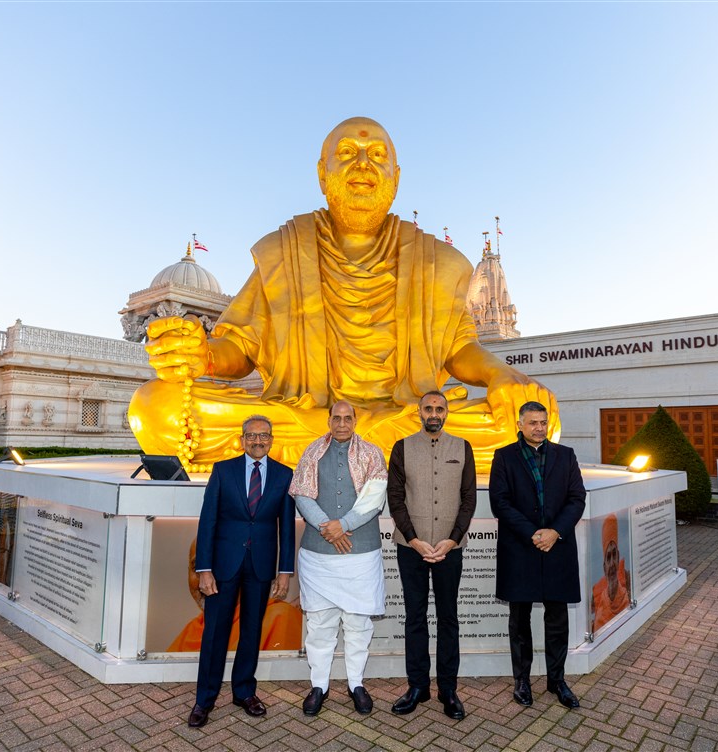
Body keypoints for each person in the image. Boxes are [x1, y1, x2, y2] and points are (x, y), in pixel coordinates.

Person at [129, 116, 559, 475]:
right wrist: (202, 355)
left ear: (396, 176)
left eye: (377, 156)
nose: (363, 165)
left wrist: (503, 376)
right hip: (303, 415)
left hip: (407, 415)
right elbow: (241, 348)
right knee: (155, 407)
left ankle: (336, 455)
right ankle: (387, 457)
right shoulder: (284, 251)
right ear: (322, 173)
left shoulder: (437, 261)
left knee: (535, 417)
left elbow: (459, 348)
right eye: (347, 153)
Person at [186, 416, 295, 728]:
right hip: (223, 566)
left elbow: (286, 528)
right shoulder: (223, 470)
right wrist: (204, 569)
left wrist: (284, 571)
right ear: (242, 439)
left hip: (261, 567)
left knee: (251, 632)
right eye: (251, 436)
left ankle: (244, 692)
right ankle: (203, 700)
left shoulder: (284, 475)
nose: (257, 441)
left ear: (271, 439)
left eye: (263, 436)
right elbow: (207, 521)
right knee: (215, 633)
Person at [289, 400, 388, 716]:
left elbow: (374, 500)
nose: (342, 423)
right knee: (320, 623)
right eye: (337, 418)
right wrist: (325, 527)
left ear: (356, 420)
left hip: (361, 552)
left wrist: (342, 525)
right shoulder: (312, 451)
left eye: (348, 418)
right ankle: (319, 685)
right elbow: (303, 495)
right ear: (329, 420)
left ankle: (356, 683)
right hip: (319, 554)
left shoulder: (372, 454)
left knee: (358, 623)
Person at [489, 401, 586, 710]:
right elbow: (500, 502)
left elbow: (576, 498)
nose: (539, 428)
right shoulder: (504, 457)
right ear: (520, 424)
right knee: (519, 620)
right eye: (532, 423)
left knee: (557, 619)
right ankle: (522, 681)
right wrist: (534, 533)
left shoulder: (565, 455)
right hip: (520, 549)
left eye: (543, 422)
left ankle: (557, 681)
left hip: (557, 548)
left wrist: (554, 532)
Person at [387, 390, 476, 721]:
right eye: (428, 408)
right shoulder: (402, 448)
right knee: (415, 617)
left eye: (440, 408)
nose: (434, 413)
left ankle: (448, 690)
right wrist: (414, 539)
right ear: (419, 412)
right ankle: (417, 687)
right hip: (411, 547)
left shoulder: (462, 447)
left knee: (448, 618)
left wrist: (452, 540)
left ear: (447, 412)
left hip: (450, 549)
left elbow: (468, 498)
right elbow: (395, 498)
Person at [167, 537, 302, 652]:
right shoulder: (193, 630)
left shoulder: (278, 618)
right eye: (198, 567)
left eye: (220, 565)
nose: (207, 581)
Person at [591, 513, 630, 631]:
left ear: (618, 558)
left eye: (614, 555)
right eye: (608, 557)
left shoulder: (627, 592)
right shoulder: (599, 605)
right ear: (604, 567)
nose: (612, 563)